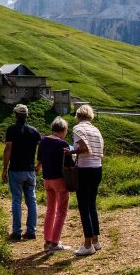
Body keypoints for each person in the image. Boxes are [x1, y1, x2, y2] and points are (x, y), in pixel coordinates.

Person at [66, 104, 105, 256]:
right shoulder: (96, 130)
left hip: (85, 169)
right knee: (92, 205)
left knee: (83, 207)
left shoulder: (78, 129)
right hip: (97, 168)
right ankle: (96, 240)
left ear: (77, 116)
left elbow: (83, 148)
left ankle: (87, 244)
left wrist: (70, 151)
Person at [2, 104, 42, 241]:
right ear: (27, 115)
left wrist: (4, 168)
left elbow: (8, 149)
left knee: (16, 201)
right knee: (31, 200)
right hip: (30, 170)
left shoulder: (11, 130)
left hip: (16, 170)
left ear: (15, 115)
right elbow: (41, 147)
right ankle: (31, 231)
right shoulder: (34, 131)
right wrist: (40, 164)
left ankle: (17, 232)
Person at [36, 117, 72, 252]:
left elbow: (39, 159)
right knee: (61, 211)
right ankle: (55, 243)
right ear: (63, 130)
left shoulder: (43, 140)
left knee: (50, 209)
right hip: (59, 180)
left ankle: (47, 241)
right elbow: (69, 164)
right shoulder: (63, 144)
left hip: (47, 179)